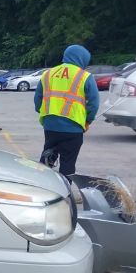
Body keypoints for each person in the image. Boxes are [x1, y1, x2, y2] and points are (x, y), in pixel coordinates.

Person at [34, 44, 100, 179]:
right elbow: (94, 103)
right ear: (82, 59)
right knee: (68, 163)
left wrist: (44, 114)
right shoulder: (85, 76)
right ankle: (65, 193)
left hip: (50, 126)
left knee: (47, 158)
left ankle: (43, 185)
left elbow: (38, 99)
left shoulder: (48, 74)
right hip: (73, 128)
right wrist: (88, 120)